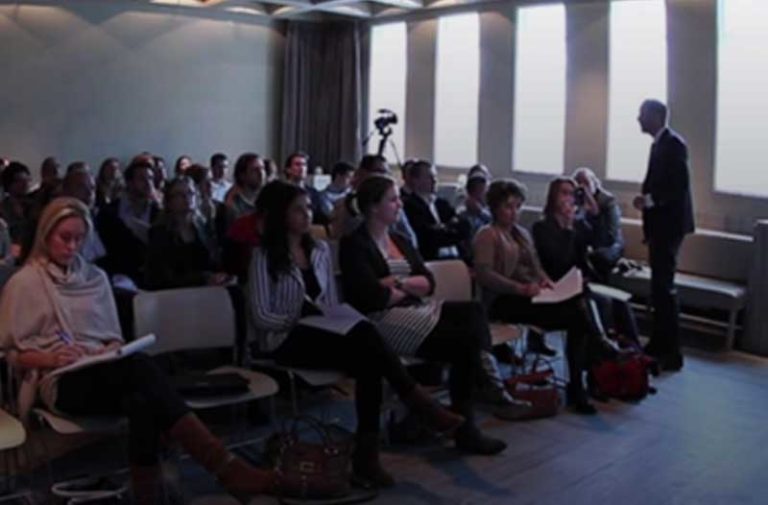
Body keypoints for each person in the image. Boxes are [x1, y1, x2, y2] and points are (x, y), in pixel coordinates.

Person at [0, 197, 276, 503]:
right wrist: (51, 357)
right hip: (58, 379)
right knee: (141, 369)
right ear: (45, 235)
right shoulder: (23, 283)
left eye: (80, 239)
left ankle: (148, 495)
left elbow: (110, 336)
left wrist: (110, 348)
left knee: (142, 399)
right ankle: (225, 466)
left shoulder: (94, 278)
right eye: (65, 237)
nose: (72, 246)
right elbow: (12, 353)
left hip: (102, 370)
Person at [248, 181, 466, 487]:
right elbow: (261, 315)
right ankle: (418, 405)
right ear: (280, 214)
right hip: (284, 338)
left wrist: (326, 313)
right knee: (367, 338)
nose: (307, 214)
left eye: (309, 207)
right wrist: (299, 316)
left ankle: (368, 455)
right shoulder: (264, 256)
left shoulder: (320, 250)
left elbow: (329, 300)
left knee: (369, 359)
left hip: (320, 329)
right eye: (298, 209)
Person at [340, 175, 515, 446]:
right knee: (464, 344)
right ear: (374, 207)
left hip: (416, 309)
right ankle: (473, 415)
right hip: (381, 321)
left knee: (473, 311)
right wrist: (408, 287)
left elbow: (428, 282)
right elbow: (372, 298)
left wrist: (396, 283)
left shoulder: (399, 239)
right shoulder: (355, 244)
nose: (400, 204)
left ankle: (479, 385)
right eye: (393, 199)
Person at [474, 179, 611, 414]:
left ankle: (581, 381)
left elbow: (537, 267)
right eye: (508, 207)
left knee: (580, 303)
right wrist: (520, 287)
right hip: (504, 300)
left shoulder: (522, 233)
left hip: (530, 295)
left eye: (517, 206)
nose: (514, 213)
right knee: (578, 313)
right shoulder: (488, 234)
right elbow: (485, 275)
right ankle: (590, 366)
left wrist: (546, 281)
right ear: (495, 207)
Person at [632, 99, 694, 371]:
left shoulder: (674, 144)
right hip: (661, 227)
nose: (638, 119)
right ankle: (658, 344)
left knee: (665, 291)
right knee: (659, 290)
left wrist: (650, 201)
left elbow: (678, 186)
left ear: (656, 116)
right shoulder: (660, 144)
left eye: (642, 114)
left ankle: (671, 352)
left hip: (669, 227)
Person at [145, 177, 229, 290]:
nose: (187, 198)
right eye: (179, 194)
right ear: (169, 201)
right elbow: (163, 277)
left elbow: (214, 261)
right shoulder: (160, 233)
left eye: (191, 193)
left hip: (207, 289)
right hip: (175, 294)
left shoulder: (202, 227)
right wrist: (203, 278)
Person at [329, 155, 418, 248]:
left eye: (386, 173)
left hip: (394, 253)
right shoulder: (345, 204)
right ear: (362, 173)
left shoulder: (394, 204)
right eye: (379, 171)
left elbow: (410, 238)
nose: (384, 176)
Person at [97, 159, 160, 287]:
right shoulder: (110, 212)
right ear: (129, 183)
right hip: (118, 277)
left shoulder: (159, 213)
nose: (148, 183)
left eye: (150, 178)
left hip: (151, 278)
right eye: (142, 178)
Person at [402, 160, 469, 261]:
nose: (434, 180)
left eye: (435, 176)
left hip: (456, 256)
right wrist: (450, 227)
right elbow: (429, 237)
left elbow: (465, 226)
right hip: (431, 259)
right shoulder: (409, 206)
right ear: (416, 180)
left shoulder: (442, 204)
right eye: (429, 177)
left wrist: (443, 228)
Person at [572, 167, 624, 280]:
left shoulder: (608, 201)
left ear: (595, 183)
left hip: (610, 245)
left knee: (596, 257)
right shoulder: (576, 200)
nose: (583, 187)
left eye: (586, 182)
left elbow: (609, 236)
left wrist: (595, 214)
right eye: (578, 183)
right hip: (587, 244)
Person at [60, 165, 106, 264]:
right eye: (81, 187)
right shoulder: (54, 223)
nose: (89, 193)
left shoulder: (106, 220)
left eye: (92, 188)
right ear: (66, 190)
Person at [187, 165, 230, 246]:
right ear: (194, 186)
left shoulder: (220, 207)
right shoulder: (187, 211)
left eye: (211, 180)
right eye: (206, 181)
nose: (211, 185)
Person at [0, 161, 33, 251]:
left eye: (27, 179)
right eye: (19, 180)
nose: (25, 184)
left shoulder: (33, 205)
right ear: (9, 184)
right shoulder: (3, 208)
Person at [224, 153, 264, 220]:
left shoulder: (268, 199)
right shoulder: (233, 205)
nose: (261, 173)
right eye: (255, 170)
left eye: (262, 168)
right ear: (242, 175)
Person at [458, 174, 492, 242]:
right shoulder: (462, 214)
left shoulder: (489, 211)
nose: (487, 194)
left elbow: (496, 223)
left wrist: (480, 212)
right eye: (484, 190)